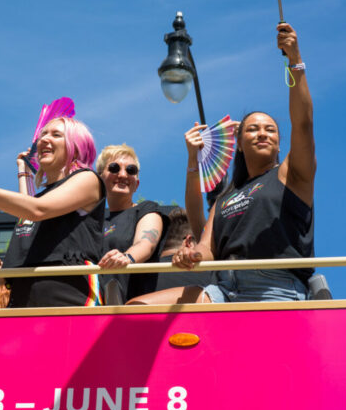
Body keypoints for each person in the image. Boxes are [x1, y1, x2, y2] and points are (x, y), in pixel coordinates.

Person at [131, 22, 315, 304]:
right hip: (223, 288)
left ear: (280, 142)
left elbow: (302, 123)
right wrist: (191, 256)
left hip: (276, 287)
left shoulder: (292, 175)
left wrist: (295, 61)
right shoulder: (227, 197)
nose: (262, 133)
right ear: (239, 143)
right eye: (252, 129)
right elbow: (207, 248)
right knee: (137, 308)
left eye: (270, 129)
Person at [0, 116, 105, 307]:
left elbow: (37, 210)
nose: (44, 139)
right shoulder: (41, 198)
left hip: (69, 294)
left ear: (77, 147)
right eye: (43, 134)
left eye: (56, 135)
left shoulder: (88, 179)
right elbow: (29, 212)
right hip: (24, 295)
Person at [95, 144, 165, 301]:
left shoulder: (146, 209)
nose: (122, 174)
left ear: (137, 183)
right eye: (114, 168)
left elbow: (146, 244)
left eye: (130, 170)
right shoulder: (93, 220)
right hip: (93, 306)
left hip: (133, 305)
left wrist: (127, 257)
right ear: (100, 178)